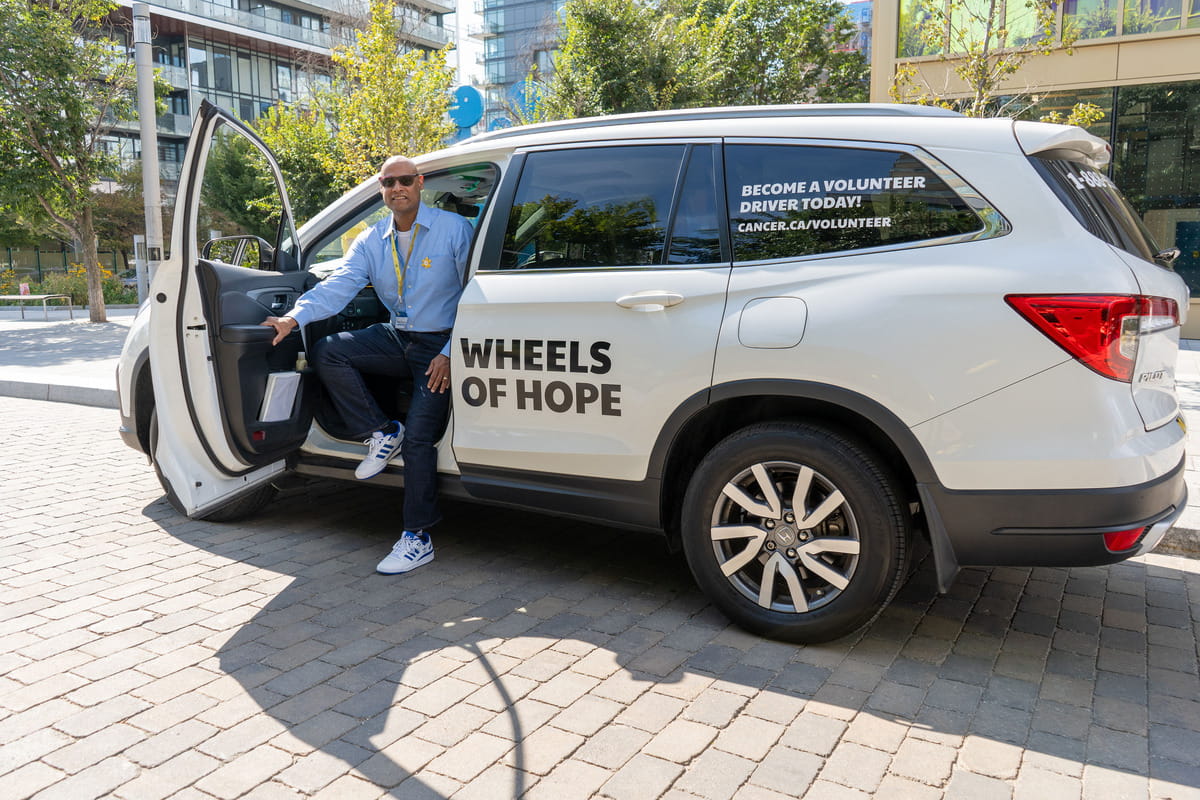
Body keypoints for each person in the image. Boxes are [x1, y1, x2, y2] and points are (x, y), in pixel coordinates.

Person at [261, 155, 473, 575]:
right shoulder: (371, 239)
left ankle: (417, 537)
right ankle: (381, 430)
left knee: (418, 442)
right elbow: (339, 287)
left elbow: (473, 294)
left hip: (440, 346)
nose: (398, 188)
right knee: (329, 350)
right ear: (381, 189)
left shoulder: (453, 229)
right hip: (398, 336)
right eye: (389, 182)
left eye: (406, 180)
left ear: (420, 183)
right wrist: (292, 318)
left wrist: (452, 350)